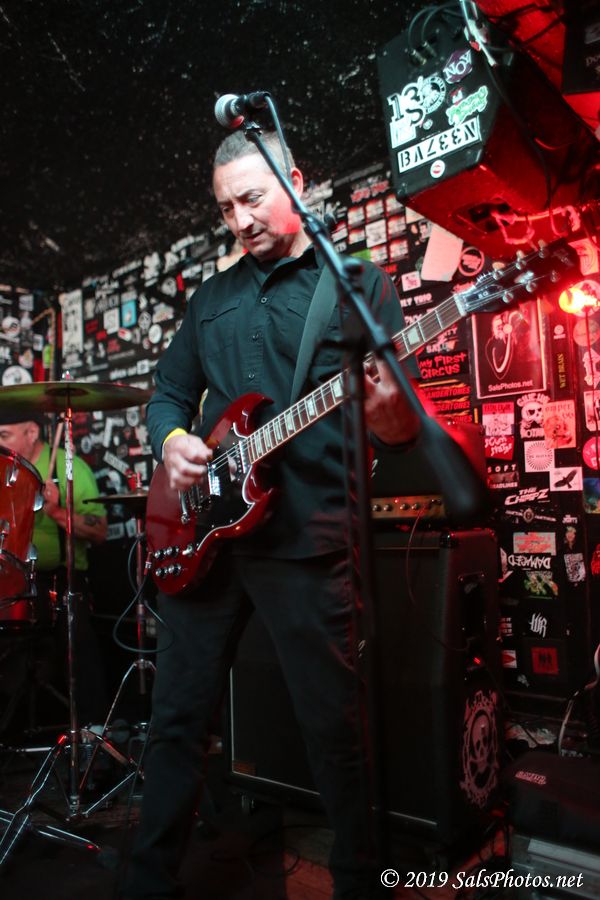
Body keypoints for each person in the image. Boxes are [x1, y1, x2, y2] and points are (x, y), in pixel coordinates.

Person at [123, 129, 426, 900]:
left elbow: (399, 431)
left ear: (294, 181)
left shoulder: (356, 285)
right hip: (206, 538)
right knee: (176, 721)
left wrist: (392, 415)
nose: (241, 220)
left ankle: (361, 883)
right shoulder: (210, 300)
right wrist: (175, 441)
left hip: (307, 540)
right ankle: (147, 882)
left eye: (253, 198)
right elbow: (167, 396)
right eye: (227, 208)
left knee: (335, 730)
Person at [0, 410, 109, 726]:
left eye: (5, 436)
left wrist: (57, 510)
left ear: (32, 432)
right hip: (11, 582)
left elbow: (99, 531)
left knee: (80, 644)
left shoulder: (68, 466)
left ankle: (91, 731)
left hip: (60, 582)